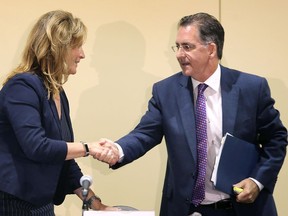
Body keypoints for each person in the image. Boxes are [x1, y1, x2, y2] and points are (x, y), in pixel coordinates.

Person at [96, 12, 287, 216]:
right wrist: (117, 149)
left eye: (187, 47)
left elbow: (276, 140)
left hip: (244, 208)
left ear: (211, 49)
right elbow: (144, 134)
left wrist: (257, 181)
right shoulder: (166, 91)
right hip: (187, 208)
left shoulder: (251, 88)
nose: (179, 54)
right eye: (177, 46)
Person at [0, 10, 118, 215]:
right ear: (56, 48)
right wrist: (89, 148)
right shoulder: (22, 87)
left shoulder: (57, 93)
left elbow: (63, 158)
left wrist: (96, 204)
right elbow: (37, 147)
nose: (82, 54)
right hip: (13, 204)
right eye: (76, 46)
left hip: (42, 204)